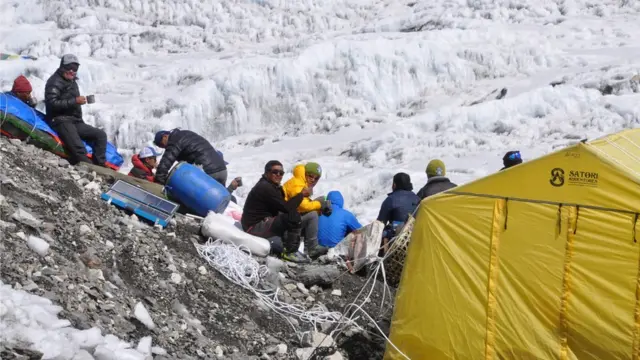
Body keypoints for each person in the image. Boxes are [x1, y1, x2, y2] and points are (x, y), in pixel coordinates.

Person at [241, 160, 311, 263]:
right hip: (253, 226)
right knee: (292, 216)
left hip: (257, 223)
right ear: (266, 173)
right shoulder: (265, 187)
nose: (278, 175)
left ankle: (291, 248)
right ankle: (290, 252)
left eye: (281, 173)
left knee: (289, 216)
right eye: (275, 172)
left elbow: (282, 206)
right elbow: (286, 208)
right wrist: (301, 195)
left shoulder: (270, 185)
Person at [44, 54, 107, 167]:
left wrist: (77, 102)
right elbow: (52, 103)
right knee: (79, 149)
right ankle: (92, 169)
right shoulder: (54, 82)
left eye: (75, 69)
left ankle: (100, 165)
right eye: (69, 68)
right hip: (60, 120)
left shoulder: (71, 81)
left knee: (100, 135)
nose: (72, 71)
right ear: (63, 67)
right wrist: (75, 101)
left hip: (74, 120)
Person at [283, 163, 331, 258]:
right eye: (310, 176)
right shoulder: (298, 183)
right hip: (284, 224)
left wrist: (319, 207)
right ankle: (312, 248)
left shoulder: (301, 182)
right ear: (305, 173)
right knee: (313, 214)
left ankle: (308, 248)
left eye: (316, 178)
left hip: (287, 219)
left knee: (317, 208)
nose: (313, 180)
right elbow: (302, 206)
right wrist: (319, 205)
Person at [153, 129, 227, 185]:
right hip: (222, 170)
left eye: (161, 144)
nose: (163, 147)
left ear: (165, 136)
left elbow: (166, 161)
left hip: (207, 173)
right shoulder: (186, 133)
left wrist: (159, 180)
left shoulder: (174, 140)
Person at [377, 173, 420, 254]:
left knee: (383, 232)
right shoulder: (417, 198)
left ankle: (383, 262)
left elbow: (379, 224)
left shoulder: (390, 200)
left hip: (397, 241)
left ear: (394, 185)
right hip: (415, 237)